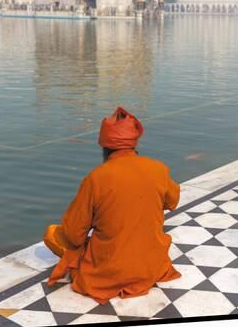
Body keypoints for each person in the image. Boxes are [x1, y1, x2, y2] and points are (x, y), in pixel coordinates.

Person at [43, 106, 181, 305]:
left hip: (108, 271)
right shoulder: (159, 169)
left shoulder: (96, 178)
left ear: (105, 147)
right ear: (134, 143)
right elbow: (173, 201)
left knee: (53, 233)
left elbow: (74, 234)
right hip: (152, 266)